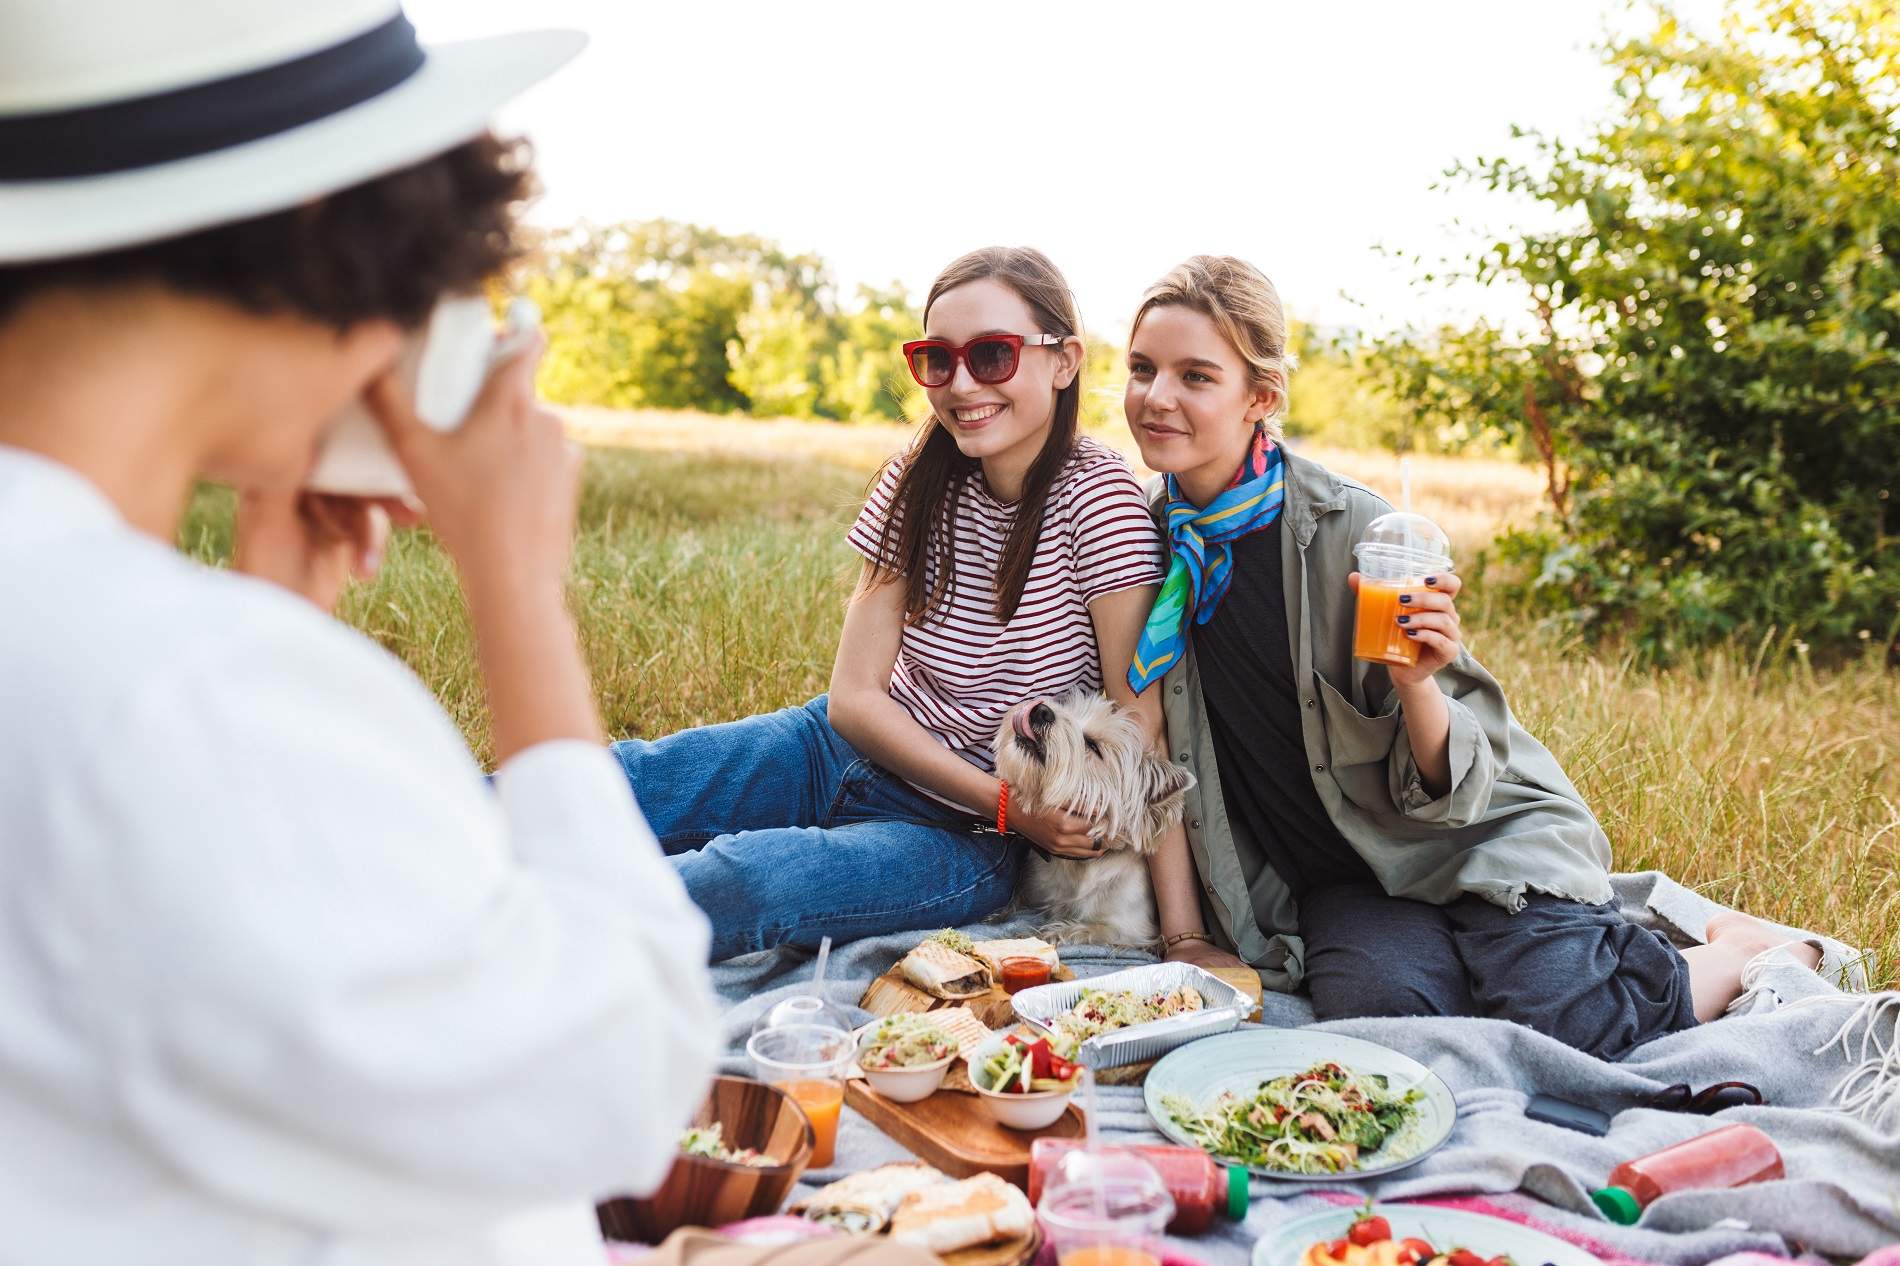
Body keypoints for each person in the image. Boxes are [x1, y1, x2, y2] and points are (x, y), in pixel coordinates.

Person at [0, 4, 720, 1262]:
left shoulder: (150, 659)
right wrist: (518, 595)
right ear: (334, 231)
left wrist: (266, 615)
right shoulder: (193, 693)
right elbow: (620, 1079)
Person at [1124, 255, 1820, 1060]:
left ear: (1261, 398)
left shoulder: (1359, 536)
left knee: (1569, 1023)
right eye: (1142, 369)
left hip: (1477, 837)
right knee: (1394, 1036)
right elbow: (1156, 745)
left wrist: (1417, 686)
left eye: (1195, 376)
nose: (1156, 397)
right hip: (1351, 876)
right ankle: (1524, 962)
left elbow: (1461, 780)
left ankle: (1733, 948)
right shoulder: (1142, 550)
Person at [610, 247, 1170, 960]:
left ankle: (500, 943)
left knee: (746, 880)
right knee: (639, 781)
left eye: (993, 355)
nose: (962, 384)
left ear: (1063, 362)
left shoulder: (1100, 502)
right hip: (836, 749)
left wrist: (1176, 929)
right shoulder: (920, 479)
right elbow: (853, 699)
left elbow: (1137, 717)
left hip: (966, 837)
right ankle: (428, 858)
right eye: (938, 359)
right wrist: (1009, 806)